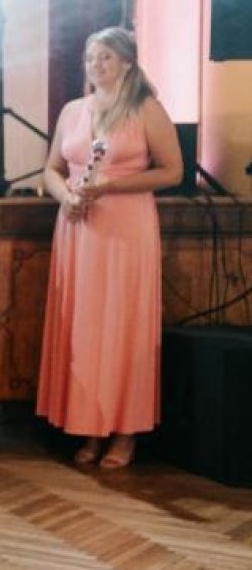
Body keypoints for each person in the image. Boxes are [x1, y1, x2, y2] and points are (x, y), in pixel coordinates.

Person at [38, 27, 181, 470]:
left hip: (125, 227)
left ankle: (124, 432)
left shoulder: (145, 109)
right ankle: (88, 426)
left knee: (122, 324)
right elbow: (51, 169)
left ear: (126, 63)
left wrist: (109, 186)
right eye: (90, 57)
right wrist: (66, 196)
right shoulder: (72, 110)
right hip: (78, 228)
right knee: (83, 325)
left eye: (104, 57)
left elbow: (172, 172)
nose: (95, 65)